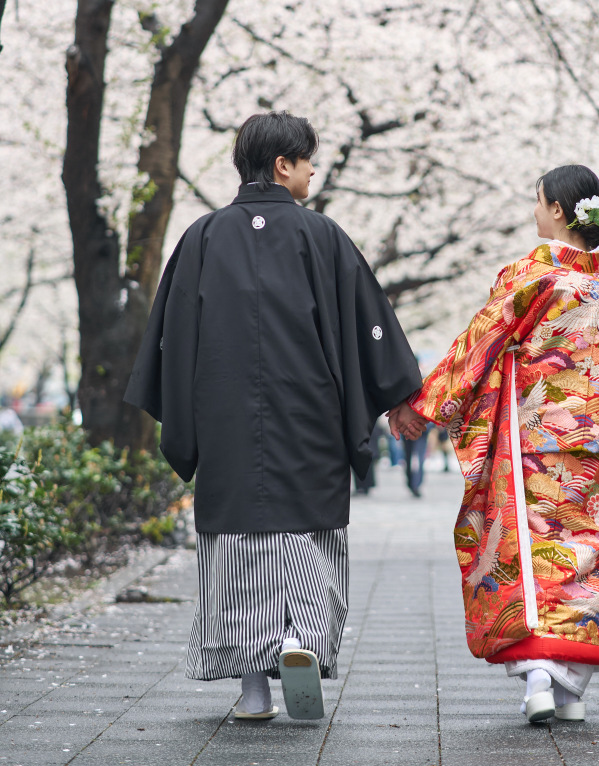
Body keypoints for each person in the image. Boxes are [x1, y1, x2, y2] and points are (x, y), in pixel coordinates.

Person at [125, 111, 423, 723]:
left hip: (226, 422)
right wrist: (399, 395)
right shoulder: (323, 237)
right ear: (283, 166)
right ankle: (300, 640)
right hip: (309, 415)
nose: (314, 169)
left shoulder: (202, 238)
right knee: (304, 535)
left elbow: (171, 340)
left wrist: (184, 417)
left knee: (237, 546)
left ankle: (253, 689)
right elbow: (370, 326)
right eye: (308, 159)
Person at [389, 164, 599, 725]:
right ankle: (571, 688)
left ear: (560, 211)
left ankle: (541, 676)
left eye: (538, 200)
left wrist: (423, 406)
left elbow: (478, 346)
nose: (534, 210)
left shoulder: (527, 276)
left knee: (535, 557)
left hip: (536, 440)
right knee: (590, 555)